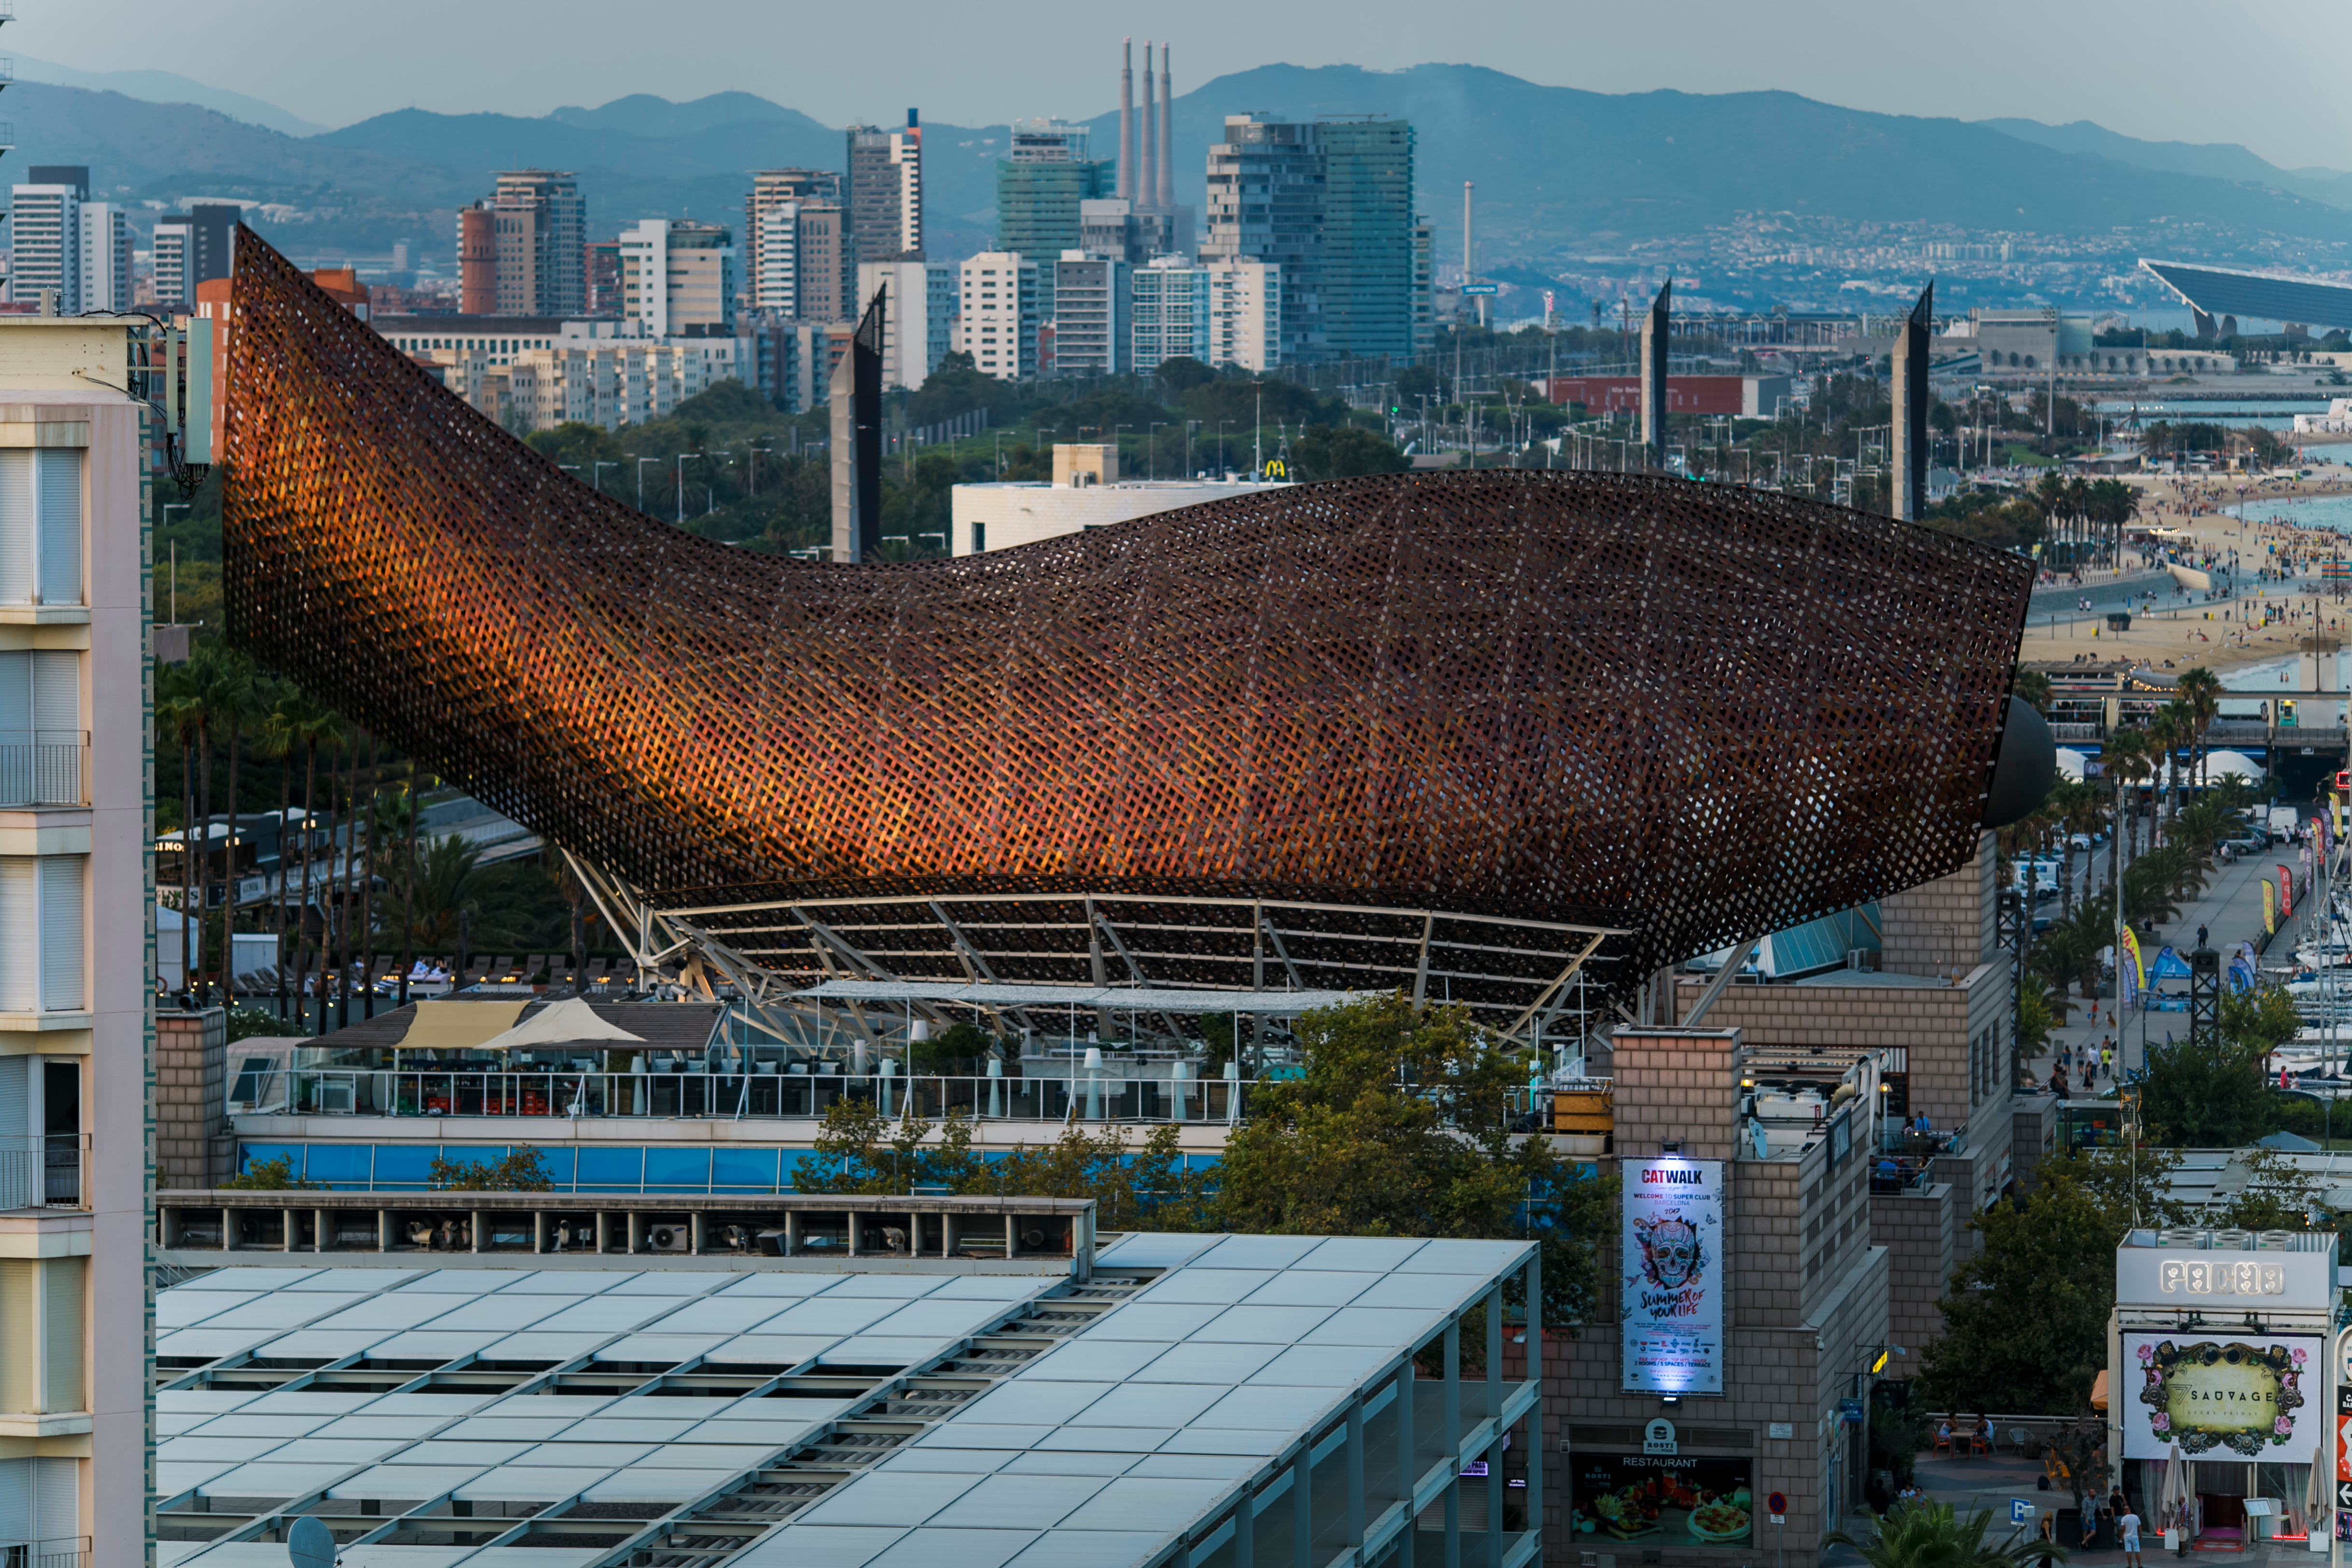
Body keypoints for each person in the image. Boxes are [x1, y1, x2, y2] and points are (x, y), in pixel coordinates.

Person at [2120, 1502, 2143, 1568]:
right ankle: (2139, 1565)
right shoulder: (2136, 1517)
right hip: (2135, 1536)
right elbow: (2140, 1527)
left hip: (2127, 1537)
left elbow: (2122, 1528)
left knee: (2128, 1551)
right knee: (2137, 1551)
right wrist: (2140, 1535)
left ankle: (2130, 1566)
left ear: (2124, 1511)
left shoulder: (2124, 1518)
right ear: (2130, 1509)